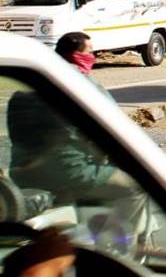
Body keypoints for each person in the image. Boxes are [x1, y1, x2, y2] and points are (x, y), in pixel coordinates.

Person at [8, 33, 150, 253]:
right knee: (135, 188)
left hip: (22, 173)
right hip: (70, 172)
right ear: (76, 55)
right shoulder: (82, 86)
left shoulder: (22, 93)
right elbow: (115, 127)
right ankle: (119, 248)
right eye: (89, 53)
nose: (92, 57)